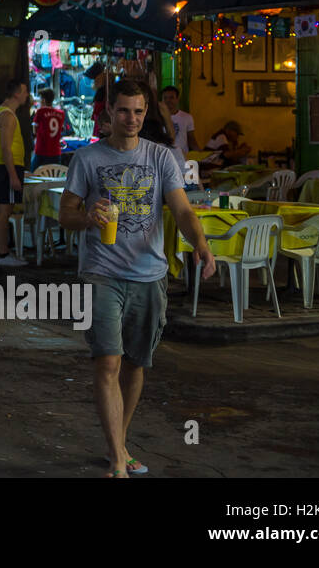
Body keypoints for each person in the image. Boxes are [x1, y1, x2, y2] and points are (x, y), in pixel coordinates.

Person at [57, 79, 215, 478]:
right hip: (102, 273)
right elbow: (65, 214)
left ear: (147, 113)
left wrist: (201, 244)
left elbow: (182, 211)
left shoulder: (162, 158)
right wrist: (87, 217)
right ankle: (116, 460)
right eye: (124, 110)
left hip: (149, 275)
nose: (132, 119)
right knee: (107, 361)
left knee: (134, 364)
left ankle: (119, 445)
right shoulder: (87, 159)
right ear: (109, 112)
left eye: (139, 111)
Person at [0, 80, 30, 266]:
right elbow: (6, 148)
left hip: (7, 167)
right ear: (16, 94)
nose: (27, 95)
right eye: (25, 91)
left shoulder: (5, 113)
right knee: (4, 212)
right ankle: (3, 254)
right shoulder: (7, 116)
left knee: (2, 211)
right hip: (8, 168)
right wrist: (13, 175)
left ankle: (1, 252)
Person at [31, 88, 72, 170]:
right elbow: (62, 129)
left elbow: (34, 131)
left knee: (34, 173)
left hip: (41, 150)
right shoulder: (61, 113)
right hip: (55, 151)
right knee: (54, 175)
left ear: (43, 99)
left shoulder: (40, 112)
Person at [160, 86, 198, 157]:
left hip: (182, 158)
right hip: (164, 158)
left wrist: (201, 155)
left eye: (171, 97)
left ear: (177, 99)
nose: (168, 100)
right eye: (165, 98)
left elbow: (191, 139)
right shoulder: (157, 118)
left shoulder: (187, 117)